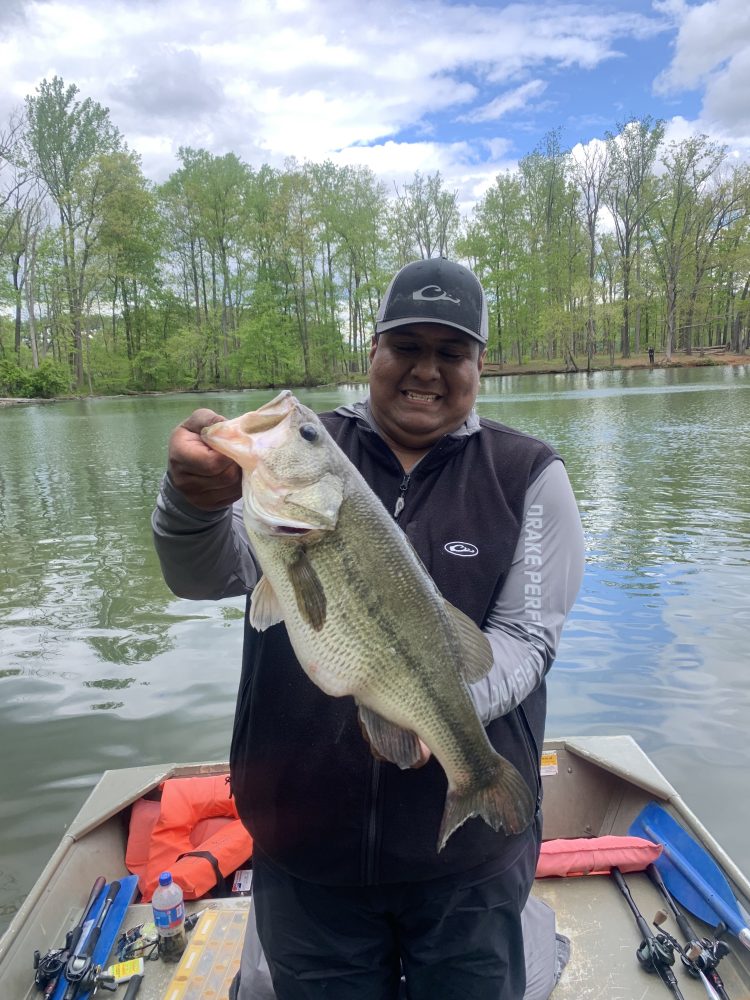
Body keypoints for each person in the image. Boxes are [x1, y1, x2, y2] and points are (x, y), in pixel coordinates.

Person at [152, 258, 585, 1000]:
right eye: (405, 346)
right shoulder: (299, 466)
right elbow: (201, 576)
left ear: (481, 364)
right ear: (373, 351)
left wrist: (434, 712)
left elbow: (526, 640)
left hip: (468, 866)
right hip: (302, 845)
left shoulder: (530, 474)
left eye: (451, 352)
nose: (426, 370)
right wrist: (190, 503)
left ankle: (472, 784)